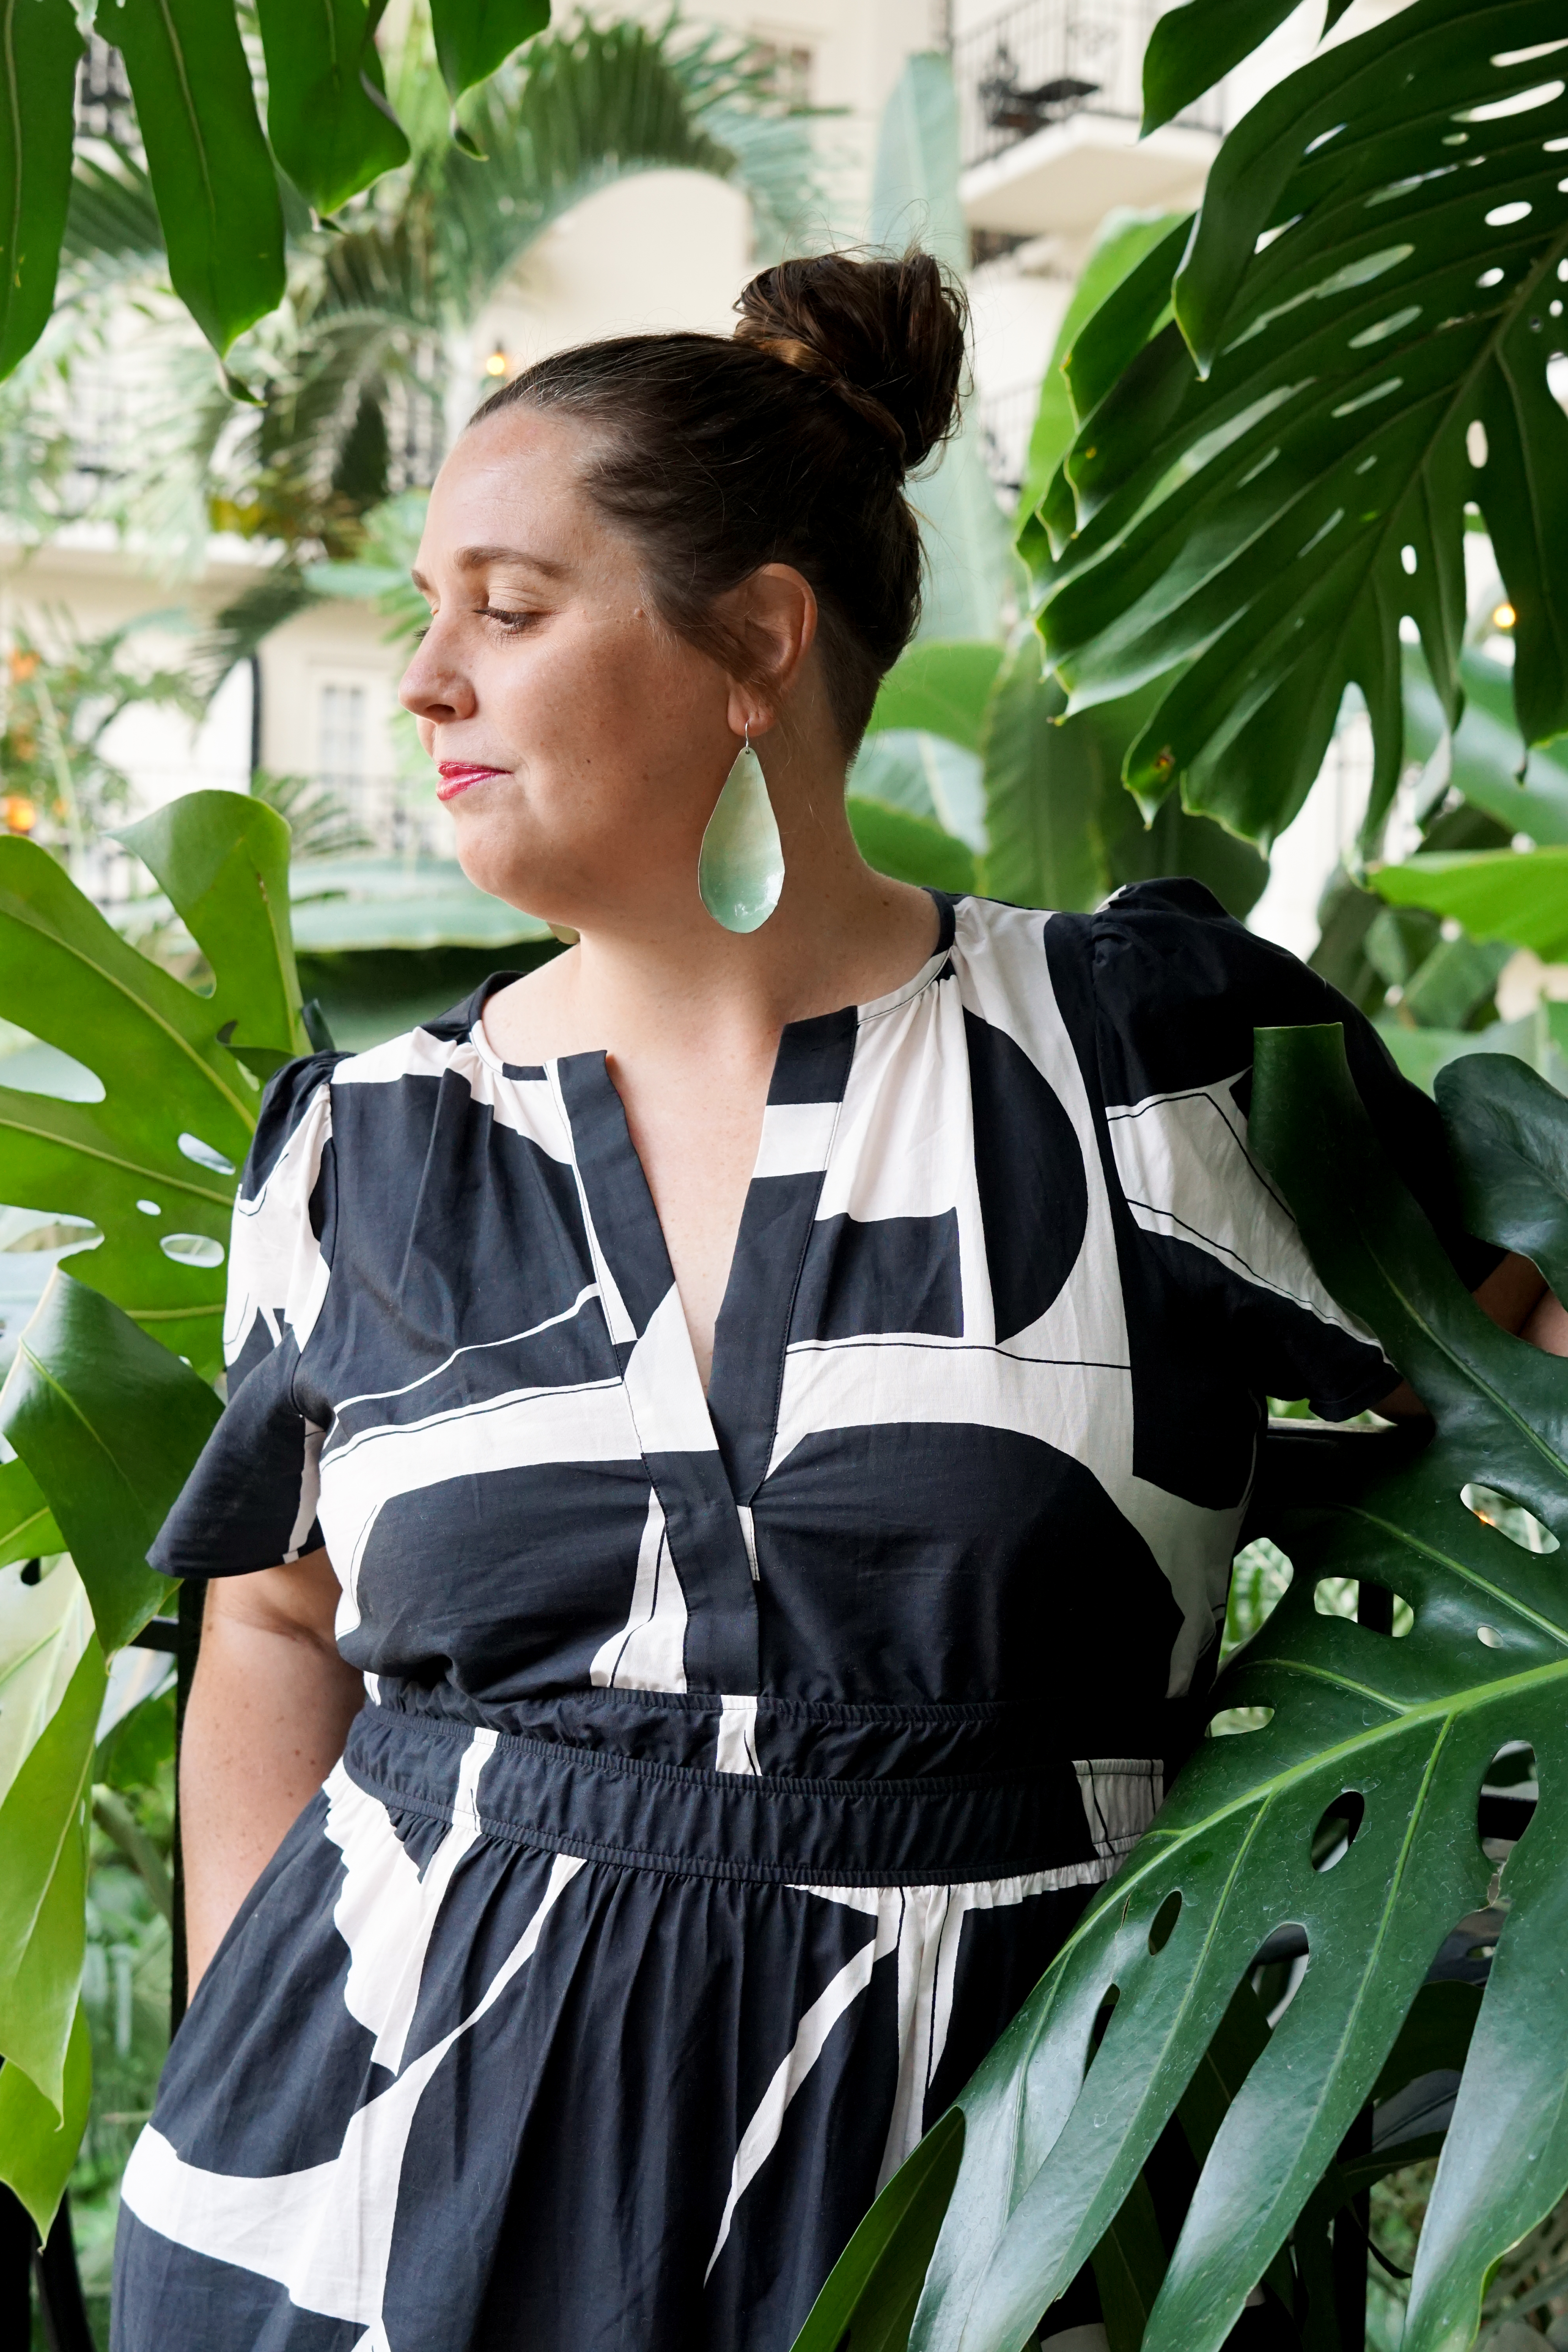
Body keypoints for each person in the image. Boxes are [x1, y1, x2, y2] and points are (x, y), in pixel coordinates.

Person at [112, 252, 1564, 2352]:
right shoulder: (370, 1150)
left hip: (1003, 2191)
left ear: (758, 647)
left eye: (507, 609)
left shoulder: (1136, 1065)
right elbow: (271, 1608)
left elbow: (1522, 1382)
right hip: (379, 2209)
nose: (425, 674)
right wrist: (278, 2080)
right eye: (429, 607)